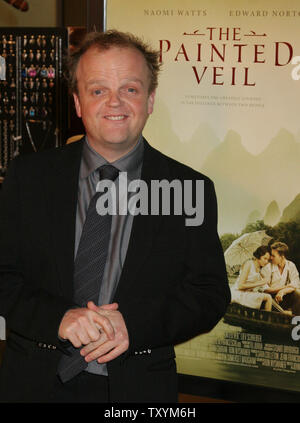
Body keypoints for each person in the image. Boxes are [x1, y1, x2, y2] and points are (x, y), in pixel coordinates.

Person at [0, 30, 230, 403]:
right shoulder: (28, 178)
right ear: (77, 102)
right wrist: (59, 317)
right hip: (34, 383)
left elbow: (209, 294)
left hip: (139, 389)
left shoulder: (191, 188)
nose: (114, 102)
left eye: (130, 89)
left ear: (151, 99)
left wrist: (134, 325)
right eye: (97, 90)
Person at [230, 245, 272, 311]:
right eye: (265, 258)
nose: (266, 262)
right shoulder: (249, 264)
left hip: (247, 293)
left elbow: (265, 285)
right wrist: (260, 283)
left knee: (267, 296)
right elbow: (240, 286)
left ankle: (266, 318)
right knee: (268, 297)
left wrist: (266, 280)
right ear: (258, 256)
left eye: (268, 260)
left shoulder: (260, 269)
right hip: (238, 293)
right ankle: (267, 319)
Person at [263, 242, 300, 314]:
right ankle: (284, 313)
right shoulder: (267, 267)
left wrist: (282, 291)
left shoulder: (291, 265)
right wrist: (284, 287)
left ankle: (293, 315)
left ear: (282, 257)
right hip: (271, 298)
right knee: (268, 297)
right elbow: (265, 289)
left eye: (273, 256)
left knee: (298, 293)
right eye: (271, 255)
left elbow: (295, 284)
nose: (271, 258)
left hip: (283, 297)